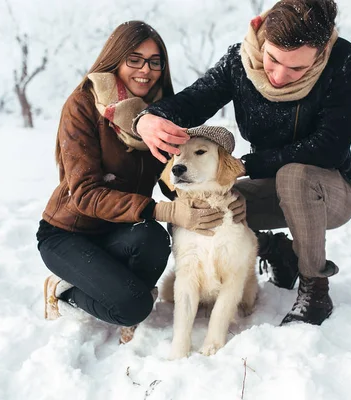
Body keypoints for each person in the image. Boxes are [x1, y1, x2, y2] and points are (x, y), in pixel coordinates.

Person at [133, 0, 351, 326]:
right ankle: (276, 251)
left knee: (293, 175)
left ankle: (315, 289)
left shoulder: (343, 60)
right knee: (206, 207)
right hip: (271, 185)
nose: (281, 76)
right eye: (272, 60)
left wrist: (246, 164)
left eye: (297, 69)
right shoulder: (238, 62)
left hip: (329, 191)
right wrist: (148, 118)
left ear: (323, 49)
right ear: (260, 34)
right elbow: (193, 100)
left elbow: (329, 147)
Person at [36, 21, 244, 343]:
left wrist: (225, 196)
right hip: (70, 233)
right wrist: (168, 212)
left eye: (155, 61)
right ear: (115, 59)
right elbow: (86, 194)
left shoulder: (163, 113)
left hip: (122, 228)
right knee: (133, 306)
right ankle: (65, 291)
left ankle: (120, 287)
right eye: (134, 59)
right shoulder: (83, 105)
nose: (145, 70)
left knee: (154, 239)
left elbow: (175, 176)